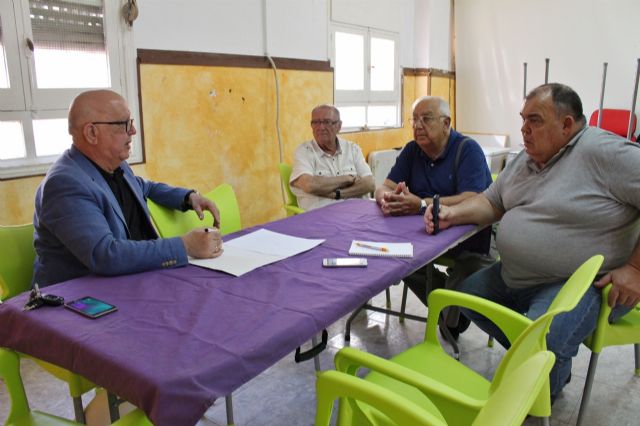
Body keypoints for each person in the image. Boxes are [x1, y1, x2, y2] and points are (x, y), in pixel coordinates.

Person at [425, 83, 640, 400]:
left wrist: (635, 268)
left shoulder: (605, 153)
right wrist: (451, 213)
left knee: (542, 339)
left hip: (580, 284)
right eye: (522, 119)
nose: (523, 129)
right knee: (462, 296)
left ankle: (540, 384)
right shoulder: (526, 158)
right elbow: (492, 203)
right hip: (514, 275)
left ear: (567, 125)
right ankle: (544, 360)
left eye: (535, 120)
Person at [33, 89, 223, 287]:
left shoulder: (115, 164)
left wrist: (189, 198)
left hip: (134, 279)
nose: (133, 131)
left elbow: (144, 187)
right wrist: (184, 246)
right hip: (81, 300)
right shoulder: (64, 184)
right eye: (125, 124)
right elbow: (105, 255)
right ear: (91, 133)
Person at [374, 96, 494, 337]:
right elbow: (383, 187)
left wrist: (419, 204)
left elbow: (474, 198)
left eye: (426, 119)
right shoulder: (412, 150)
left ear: (446, 123)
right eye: (414, 119)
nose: (418, 126)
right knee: (397, 260)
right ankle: (447, 309)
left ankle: (451, 314)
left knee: (469, 273)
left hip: (468, 240)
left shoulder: (467, 150)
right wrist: (387, 200)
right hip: (420, 236)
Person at [290, 104, 374, 210]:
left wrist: (338, 194)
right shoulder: (304, 152)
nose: (321, 127)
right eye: (316, 122)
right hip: (322, 218)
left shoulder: (353, 149)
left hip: (357, 214)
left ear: (339, 126)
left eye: (327, 122)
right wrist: (347, 179)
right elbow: (309, 185)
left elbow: (369, 184)